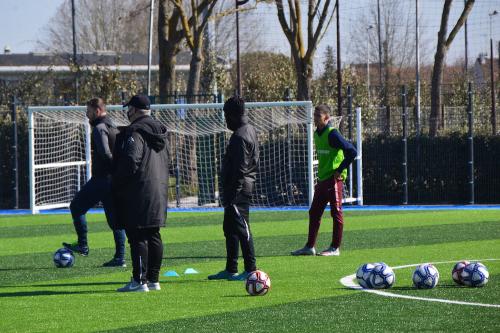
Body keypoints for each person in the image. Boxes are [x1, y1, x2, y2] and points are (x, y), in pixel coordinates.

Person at [113, 94, 169, 292]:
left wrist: (117, 181)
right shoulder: (160, 131)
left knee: (137, 236)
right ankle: (153, 280)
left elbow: (131, 160)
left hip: (139, 190)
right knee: (154, 234)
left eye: (129, 108)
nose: (127, 112)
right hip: (159, 190)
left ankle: (139, 280)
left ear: (135, 110)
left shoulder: (135, 132)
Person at [62, 98, 126, 267]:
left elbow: (105, 153)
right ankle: (120, 257)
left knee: (76, 206)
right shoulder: (113, 126)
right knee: (115, 220)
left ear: (97, 111)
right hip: (113, 180)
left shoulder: (99, 128)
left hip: (102, 179)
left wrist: (112, 168)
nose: (86, 115)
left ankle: (83, 245)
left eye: (88, 112)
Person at [291, 104, 357, 256]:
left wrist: (339, 170)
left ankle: (335, 248)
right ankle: (309, 247)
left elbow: (352, 152)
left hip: (334, 180)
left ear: (327, 118)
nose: (314, 118)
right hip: (322, 179)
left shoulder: (332, 134)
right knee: (314, 212)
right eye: (314, 115)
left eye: (317, 116)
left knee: (336, 212)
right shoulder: (316, 133)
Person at [208, 96, 259, 281]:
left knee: (242, 227)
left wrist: (233, 193)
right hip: (240, 188)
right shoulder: (249, 130)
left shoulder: (240, 136)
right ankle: (231, 268)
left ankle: (251, 269)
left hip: (238, 190)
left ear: (234, 115)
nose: (226, 120)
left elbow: (240, 168)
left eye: (226, 115)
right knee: (230, 228)